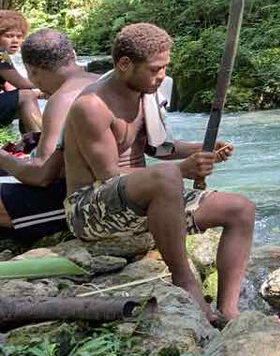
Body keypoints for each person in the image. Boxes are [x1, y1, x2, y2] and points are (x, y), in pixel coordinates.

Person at [61, 23, 256, 324]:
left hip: (150, 197)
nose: (162, 76)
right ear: (124, 64)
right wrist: (181, 170)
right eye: (155, 69)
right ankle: (184, 279)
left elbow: (158, 147)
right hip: (91, 209)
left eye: (165, 67)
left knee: (241, 209)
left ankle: (229, 310)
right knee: (165, 176)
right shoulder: (91, 106)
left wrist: (202, 149)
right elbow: (110, 177)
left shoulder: (148, 92)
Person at [0, 29, 93, 241]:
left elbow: (41, 175)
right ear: (73, 55)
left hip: (81, 204)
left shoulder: (62, 99)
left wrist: (2, 156)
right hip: (120, 192)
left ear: (32, 72)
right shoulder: (103, 83)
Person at [0, 9, 43, 134]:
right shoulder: (1, 55)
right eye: (8, 36)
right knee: (26, 97)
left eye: (19, 36)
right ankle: (38, 144)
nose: (15, 40)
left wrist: (41, 92)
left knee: (25, 96)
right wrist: (50, 84)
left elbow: (11, 88)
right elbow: (22, 84)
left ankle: (28, 143)